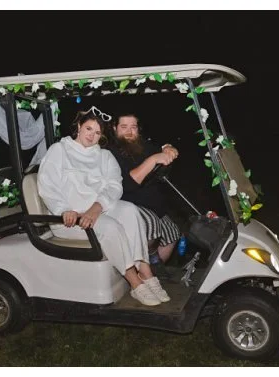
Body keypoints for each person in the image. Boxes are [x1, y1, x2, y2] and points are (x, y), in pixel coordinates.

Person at [37, 108, 171, 306]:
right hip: (69, 218)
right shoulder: (60, 150)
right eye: (89, 129)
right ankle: (134, 282)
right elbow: (47, 185)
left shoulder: (104, 156)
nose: (92, 135)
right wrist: (63, 209)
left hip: (97, 211)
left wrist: (96, 208)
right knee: (111, 227)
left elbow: (114, 186)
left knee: (130, 211)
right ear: (78, 127)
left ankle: (146, 272)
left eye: (98, 132)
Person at [108, 112, 183, 265]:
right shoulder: (110, 152)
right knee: (151, 225)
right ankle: (141, 266)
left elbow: (160, 149)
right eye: (124, 127)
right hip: (126, 204)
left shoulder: (141, 145)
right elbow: (128, 183)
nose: (129, 132)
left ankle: (155, 268)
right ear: (115, 128)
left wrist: (168, 148)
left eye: (133, 127)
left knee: (173, 233)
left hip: (152, 204)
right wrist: (153, 159)